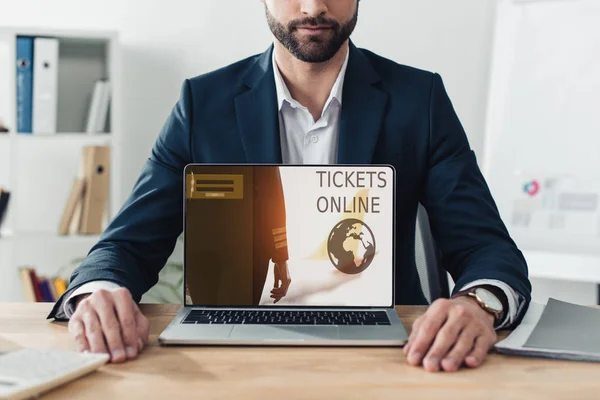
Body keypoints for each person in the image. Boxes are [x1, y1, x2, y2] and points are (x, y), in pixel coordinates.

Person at [48, 0, 531, 373]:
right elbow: (126, 244)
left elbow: (486, 247)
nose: (314, 7)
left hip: (392, 359)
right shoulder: (203, 102)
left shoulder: (418, 99)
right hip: (231, 362)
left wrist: (477, 304)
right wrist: (101, 292)